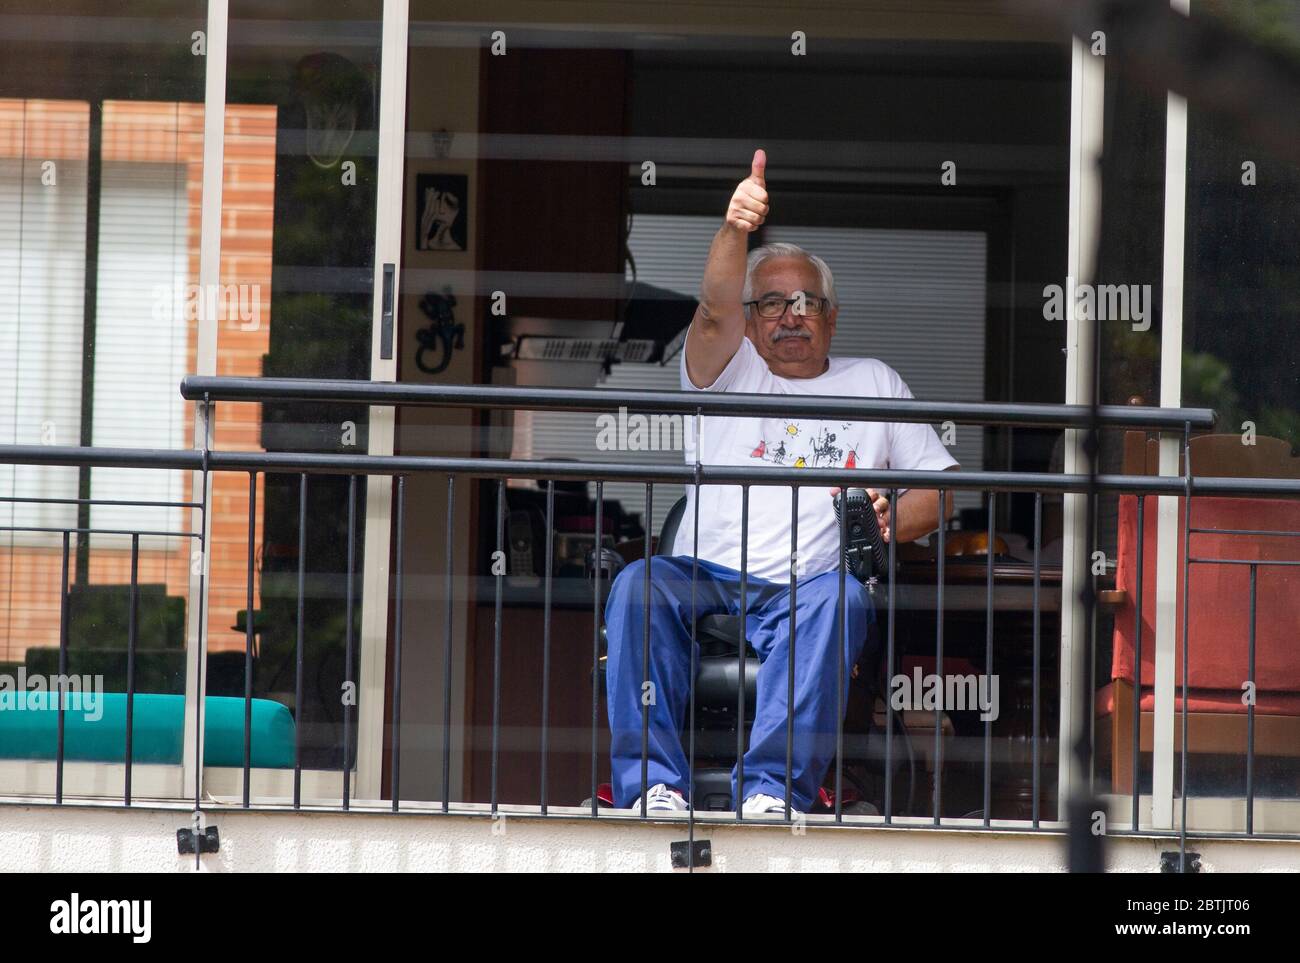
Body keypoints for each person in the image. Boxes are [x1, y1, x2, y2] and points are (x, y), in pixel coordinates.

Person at [605, 149, 959, 815]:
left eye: (806, 302)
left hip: (806, 591)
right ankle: (653, 785)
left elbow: (938, 492)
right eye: (771, 301)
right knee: (637, 585)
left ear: (833, 315)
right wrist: (735, 229)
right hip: (705, 574)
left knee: (845, 598)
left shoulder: (874, 382)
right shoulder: (727, 366)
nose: (790, 315)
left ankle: (771, 790)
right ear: (750, 317)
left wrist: (890, 519)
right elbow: (711, 312)